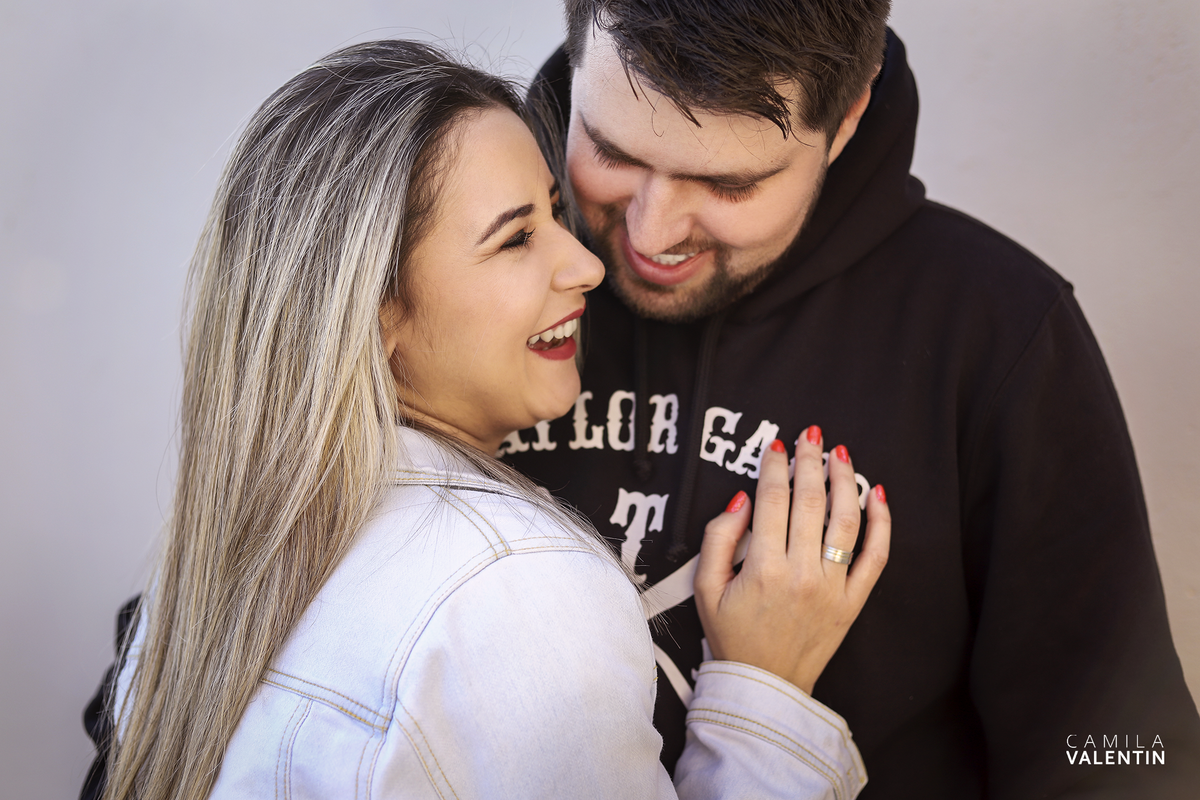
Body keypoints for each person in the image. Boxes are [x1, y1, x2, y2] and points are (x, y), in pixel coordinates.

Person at [83, 39, 891, 800]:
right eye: (515, 240)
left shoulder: (201, 579)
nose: (586, 265)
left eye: (552, 211)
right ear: (376, 312)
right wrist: (763, 700)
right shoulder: (518, 590)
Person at [503, 0, 1200, 797]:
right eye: (610, 149)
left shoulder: (998, 331)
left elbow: (1130, 754)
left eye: (728, 183)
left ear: (848, 117)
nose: (651, 232)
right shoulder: (448, 278)